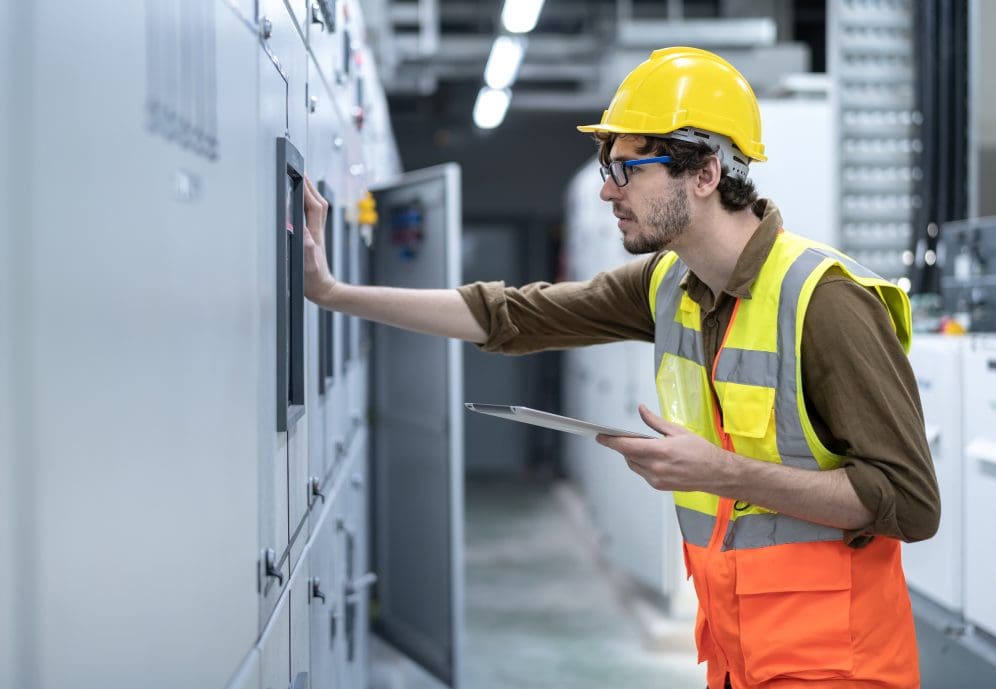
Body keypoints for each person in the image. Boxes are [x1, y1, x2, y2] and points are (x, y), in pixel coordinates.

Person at [302, 47, 939, 689]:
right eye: (610, 168)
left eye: (628, 168)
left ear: (705, 173)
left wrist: (722, 473)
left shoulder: (824, 302)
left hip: (842, 666)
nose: (609, 188)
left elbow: (911, 504)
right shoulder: (669, 283)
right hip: (741, 656)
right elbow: (513, 315)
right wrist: (334, 294)